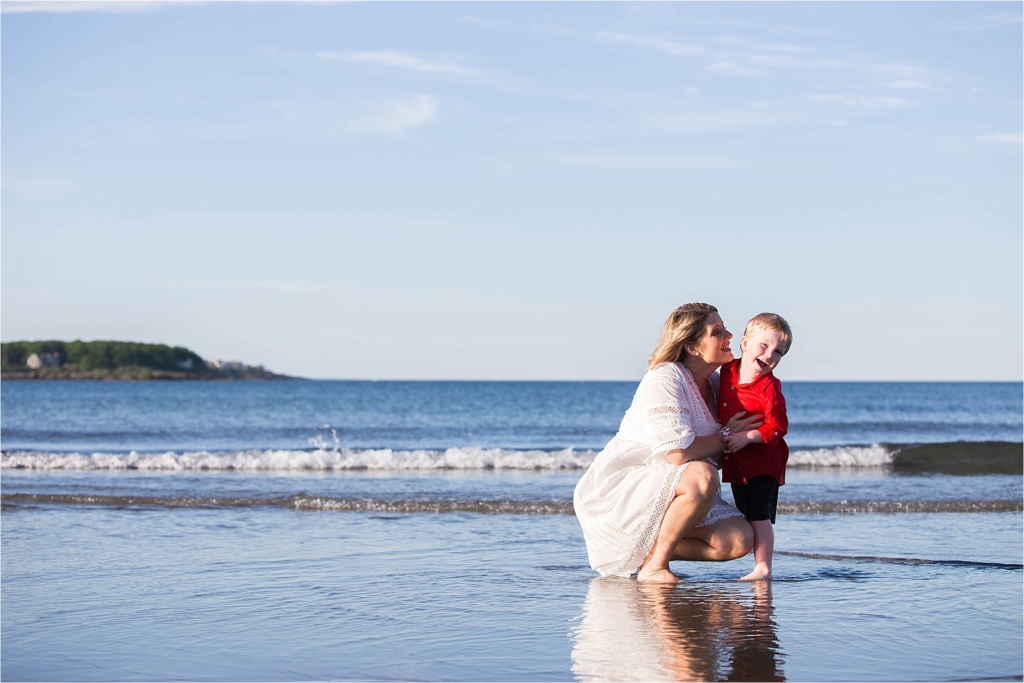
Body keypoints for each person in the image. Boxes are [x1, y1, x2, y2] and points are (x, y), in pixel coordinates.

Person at [573, 303, 760, 584]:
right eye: (717, 331)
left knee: (737, 540)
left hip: (678, 491)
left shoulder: (717, 384)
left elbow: (724, 451)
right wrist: (725, 437)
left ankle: (648, 553)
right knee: (702, 475)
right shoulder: (665, 378)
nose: (730, 335)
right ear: (692, 347)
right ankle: (655, 567)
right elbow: (678, 453)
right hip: (627, 485)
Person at [718, 313, 793, 581]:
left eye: (779, 352)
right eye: (764, 345)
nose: (770, 355)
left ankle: (763, 567)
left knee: (759, 514)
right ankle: (756, 563)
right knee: (746, 511)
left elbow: (779, 427)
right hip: (738, 462)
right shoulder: (727, 371)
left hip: (765, 461)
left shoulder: (769, 388)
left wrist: (748, 436)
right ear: (744, 343)